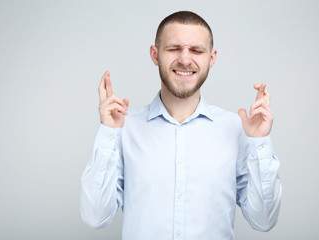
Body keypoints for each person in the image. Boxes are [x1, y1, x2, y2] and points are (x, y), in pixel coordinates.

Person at [80, 11, 282, 240]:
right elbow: (95, 217)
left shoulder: (237, 129)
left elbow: (264, 221)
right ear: (155, 55)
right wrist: (108, 133)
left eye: (196, 50)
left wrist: (258, 143)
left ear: (211, 58)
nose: (185, 60)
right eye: (174, 49)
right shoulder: (125, 128)